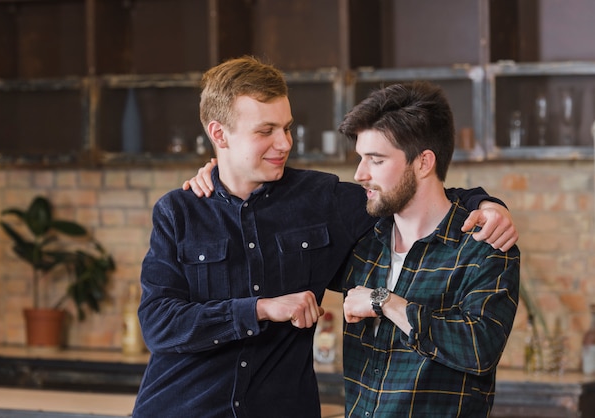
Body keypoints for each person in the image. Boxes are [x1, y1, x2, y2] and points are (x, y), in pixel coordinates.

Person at [132, 56, 517, 418]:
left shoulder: (323, 199)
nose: (284, 143)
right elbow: (158, 324)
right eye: (265, 131)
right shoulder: (178, 211)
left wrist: (485, 203)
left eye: (286, 127)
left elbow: (411, 192)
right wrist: (261, 308)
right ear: (220, 135)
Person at [338, 81, 520, 417]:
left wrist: (386, 303)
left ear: (423, 163)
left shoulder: (483, 246)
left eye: (376, 160)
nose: (360, 173)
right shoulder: (362, 241)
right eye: (361, 158)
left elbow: (479, 350)